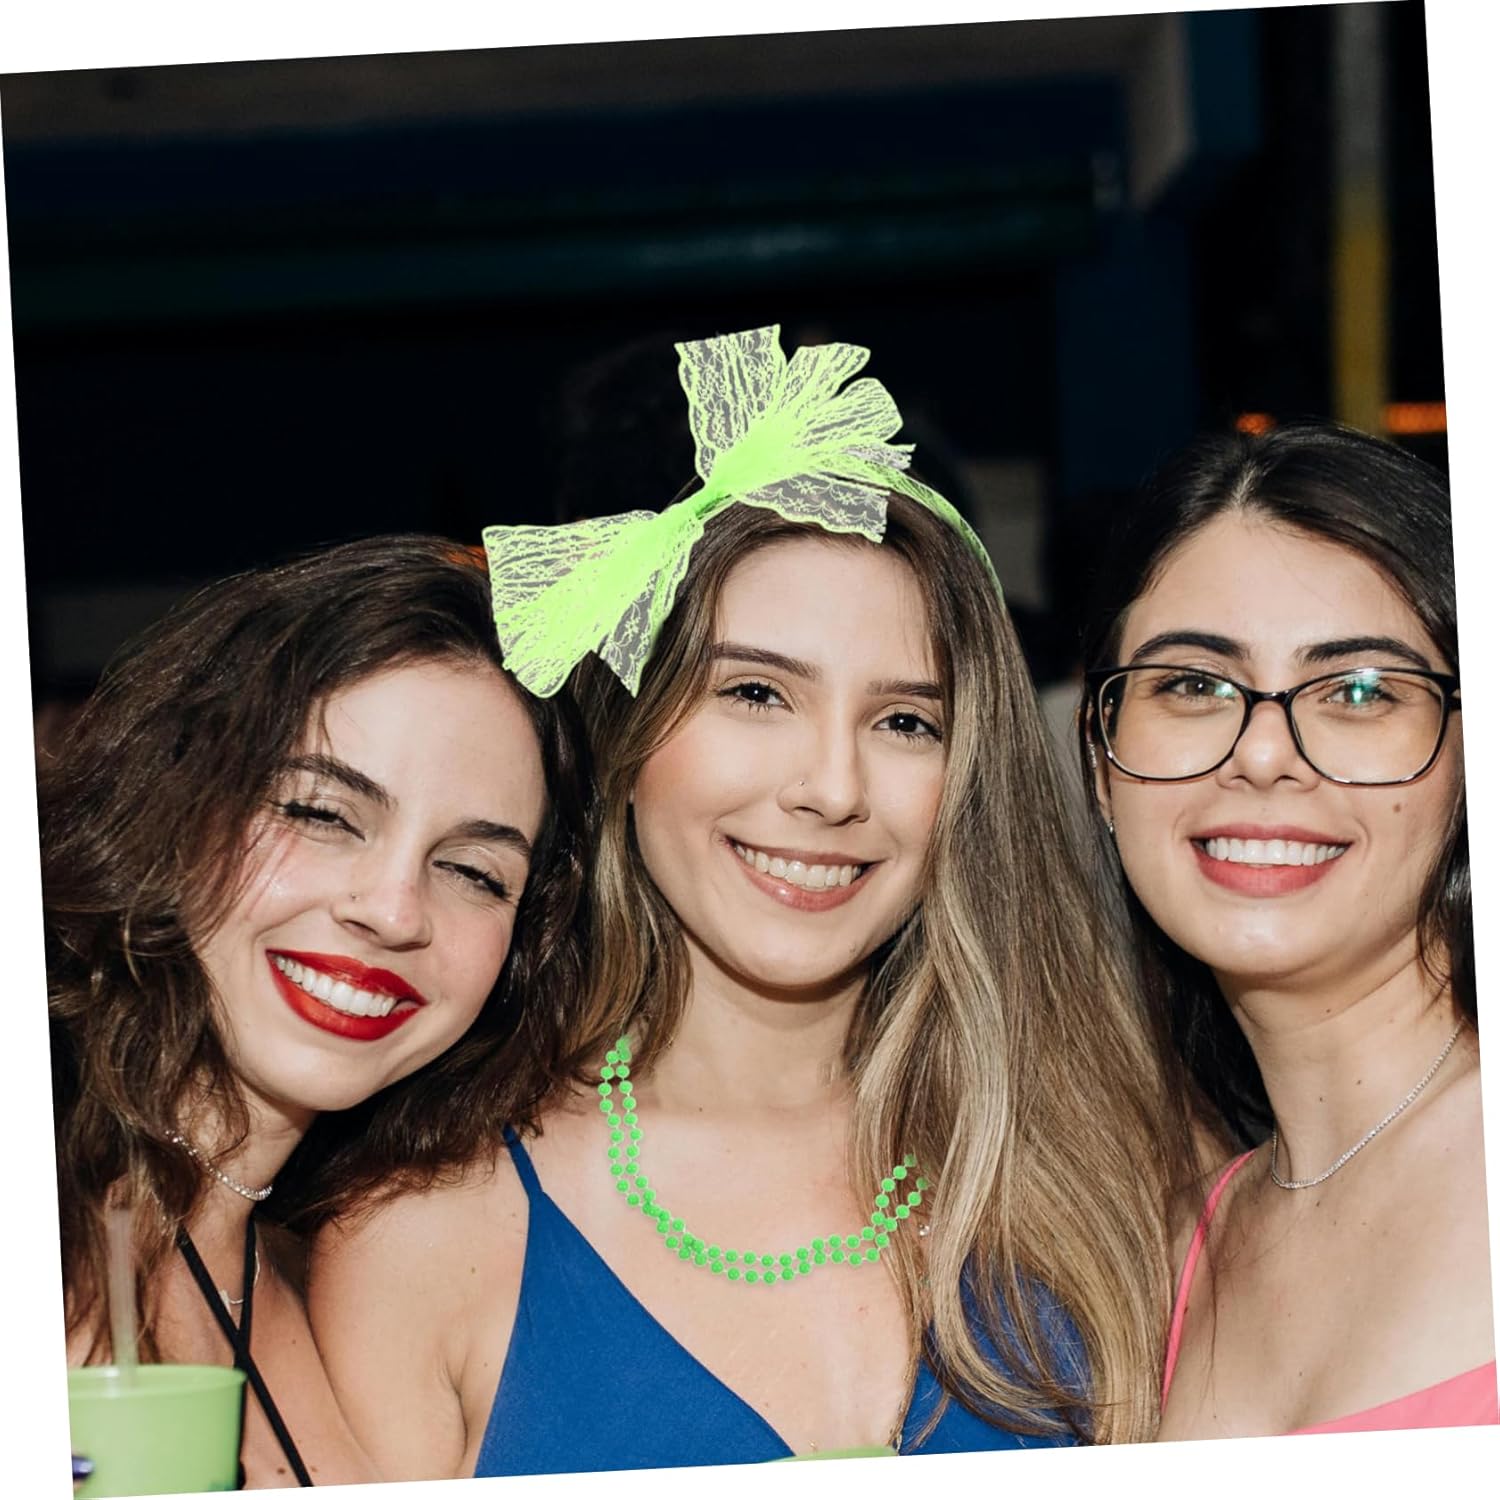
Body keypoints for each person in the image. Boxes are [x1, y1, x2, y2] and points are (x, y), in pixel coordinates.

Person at [309, 325, 1186, 1477]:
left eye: (905, 721)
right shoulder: (425, 1233)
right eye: (757, 693)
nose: (832, 787)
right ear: (631, 733)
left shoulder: (1100, 1169)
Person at [45, 535, 592, 1487]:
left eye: (473, 871)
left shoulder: (324, 1294)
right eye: (322, 815)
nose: (393, 910)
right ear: (181, 802)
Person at [1077, 422, 1495, 1438]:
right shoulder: (1161, 1263)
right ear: (1100, 764)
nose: (1263, 754)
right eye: (1192, 684)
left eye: (1361, 690)